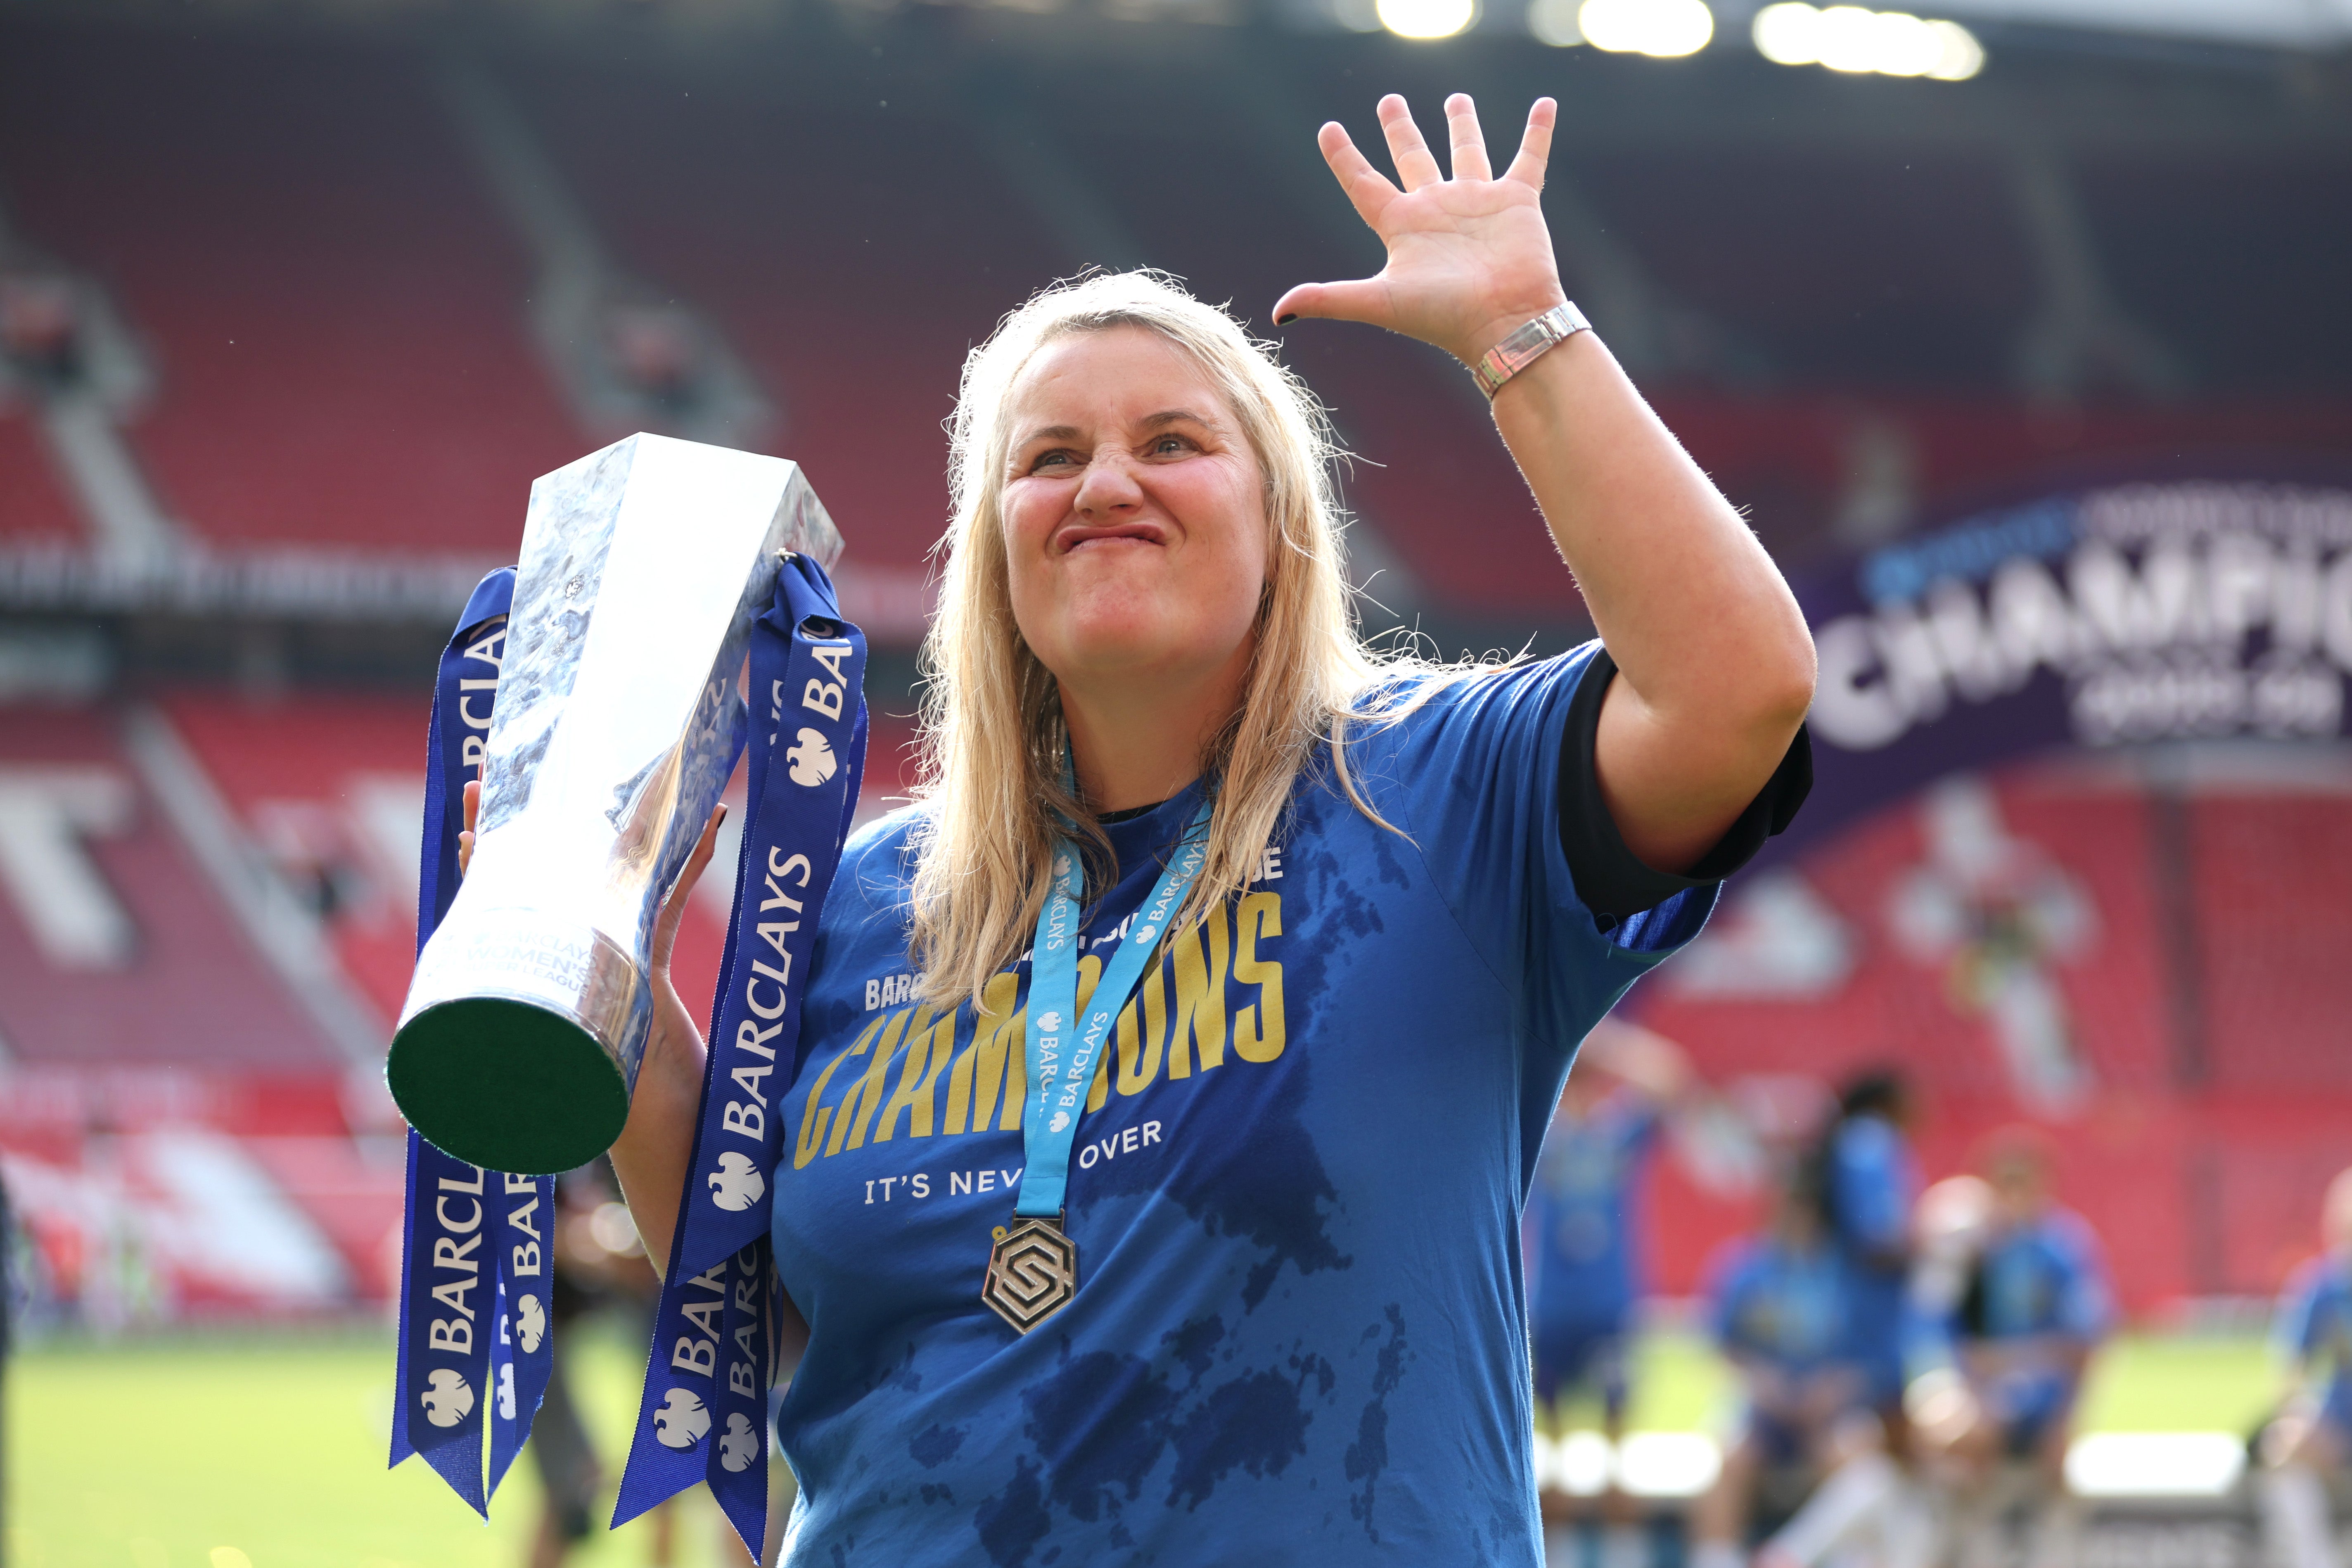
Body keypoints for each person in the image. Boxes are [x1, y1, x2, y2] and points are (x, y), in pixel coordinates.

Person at [470, 91, 1816, 1563]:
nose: (1103, 480)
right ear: (990, 548)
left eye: (1171, 439)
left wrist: (1523, 333)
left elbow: (1733, 693)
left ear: (1280, 520)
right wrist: (615, 962)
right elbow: (759, 1317)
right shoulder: (859, 899)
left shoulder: (1438, 793)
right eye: (1045, 459)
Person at [1527, 1015, 1698, 1568]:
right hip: (1551, 1306)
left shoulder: (1616, 1133)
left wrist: (1600, 1039)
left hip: (1609, 1306)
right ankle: (1558, 1556)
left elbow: (1673, 1078)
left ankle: (1623, 1558)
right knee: (1548, 1449)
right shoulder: (1545, 1134)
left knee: (1616, 1443)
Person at [1911, 1129, 2110, 1568]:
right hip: (1984, 1396)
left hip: (2038, 1397)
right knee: (1936, 1440)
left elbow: (2086, 1341)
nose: (2014, 1194)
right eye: (2005, 1181)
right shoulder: (1974, 1250)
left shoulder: (2062, 1247)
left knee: (1978, 1446)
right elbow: (1942, 1332)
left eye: (2023, 1181)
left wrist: (2065, 1419)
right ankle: (1960, 1542)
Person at [1690, 1167, 1874, 1568]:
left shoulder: (1845, 1273)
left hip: (1828, 1409)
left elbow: (1869, 1354)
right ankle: (1716, 1558)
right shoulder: (1745, 1267)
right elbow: (1722, 1345)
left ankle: (1812, 1554)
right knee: (1731, 1458)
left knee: (1855, 1459)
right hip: (1763, 1407)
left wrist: (1832, 1389)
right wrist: (1763, 1383)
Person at [2260, 1167, 2352, 1568]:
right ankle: (2314, 1559)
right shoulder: (2321, 1285)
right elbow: (2290, 1368)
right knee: (2282, 1446)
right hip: (2338, 1424)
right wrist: (2295, 1413)